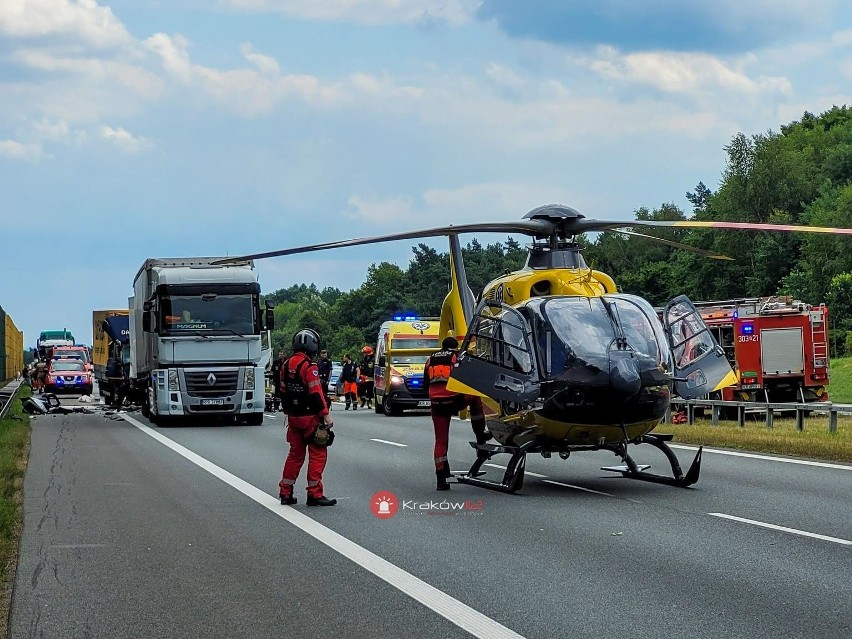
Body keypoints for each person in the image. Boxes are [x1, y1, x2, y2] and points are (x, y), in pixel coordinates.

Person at [423, 336, 491, 491]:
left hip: (437, 403)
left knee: (440, 441)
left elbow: (425, 382)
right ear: (454, 347)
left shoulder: (430, 359)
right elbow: (464, 377)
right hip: (453, 398)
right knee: (475, 397)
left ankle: (441, 478)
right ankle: (480, 435)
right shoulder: (456, 356)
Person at [278, 329, 337, 507]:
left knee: (295, 455)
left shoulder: (285, 365)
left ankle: (285, 492)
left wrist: (289, 411)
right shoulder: (309, 366)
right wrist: (326, 415)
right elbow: (316, 393)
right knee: (318, 454)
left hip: (293, 418)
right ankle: (315, 494)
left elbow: (282, 391)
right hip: (310, 417)